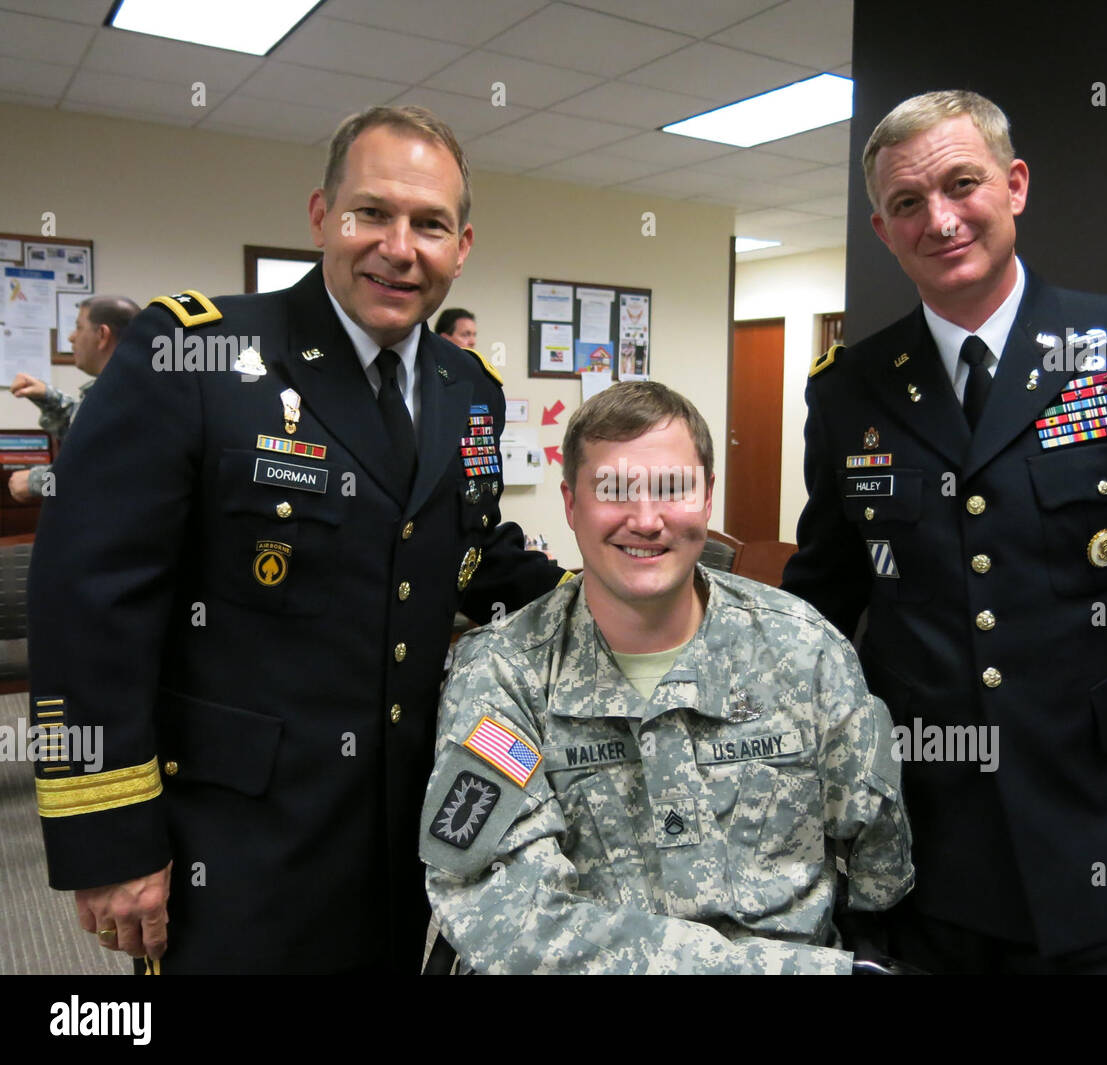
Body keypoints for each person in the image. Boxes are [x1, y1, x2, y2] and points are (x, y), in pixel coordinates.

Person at [28, 105, 569, 974]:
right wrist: (110, 838)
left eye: (430, 223)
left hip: (402, 832)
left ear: (461, 247)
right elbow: (86, 602)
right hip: (236, 840)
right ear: (322, 216)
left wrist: (627, 595)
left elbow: (467, 551)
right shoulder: (195, 353)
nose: (400, 246)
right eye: (373, 213)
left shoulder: (466, 384)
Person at [782, 90, 1107, 974]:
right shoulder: (851, 389)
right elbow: (820, 599)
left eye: (963, 185)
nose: (942, 218)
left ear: (1016, 185)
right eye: (908, 204)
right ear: (882, 231)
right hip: (916, 843)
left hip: (1099, 836)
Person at [419, 381, 912, 974]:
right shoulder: (504, 670)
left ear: (707, 497)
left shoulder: (804, 648)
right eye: (614, 490)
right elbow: (507, 915)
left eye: (672, 488)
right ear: (571, 504)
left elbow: (877, 867)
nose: (646, 519)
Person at [8, 295, 138, 501]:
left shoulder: (131, 394)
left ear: (102, 335)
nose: (71, 337)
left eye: (78, 327)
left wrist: (38, 482)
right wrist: (46, 395)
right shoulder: (116, 388)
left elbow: (111, 474)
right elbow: (86, 433)